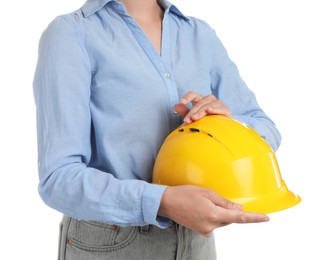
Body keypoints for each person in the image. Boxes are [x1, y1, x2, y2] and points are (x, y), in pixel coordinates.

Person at [33, 0, 282, 259]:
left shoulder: (199, 35)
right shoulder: (72, 33)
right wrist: (162, 201)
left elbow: (264, 128)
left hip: (196, 240)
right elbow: (58, 179)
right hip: (114, 240)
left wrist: (225, 124)